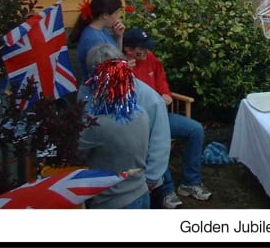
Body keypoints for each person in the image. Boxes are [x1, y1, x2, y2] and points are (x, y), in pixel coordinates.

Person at [123, 29, 212, 208]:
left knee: (195, 129)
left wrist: (165, 93)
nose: (147, 51)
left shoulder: (150, 59)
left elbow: (161, 79)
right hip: (139, 124)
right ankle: (166, 191)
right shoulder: (121, 68)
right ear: (128, 49)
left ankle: (190, 182)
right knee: (158, 140)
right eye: (143, 48)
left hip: (162, 116)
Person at [84, 43, 171, 209]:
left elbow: (160, 143)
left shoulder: (150, 100)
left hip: (141, 188)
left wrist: (150, 180)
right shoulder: (100, 95)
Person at [78, 55, 150, 209]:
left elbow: (72, 148)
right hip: (141, 193)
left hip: (115, 202)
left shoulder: (98, 124)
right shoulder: (142, 113)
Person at [69, 0, 126, 100]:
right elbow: (104, 73)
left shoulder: (102, 30)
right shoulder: (94, 39)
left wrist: (119, 37)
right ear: (105, 15)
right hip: (94, 95)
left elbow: (114, 56)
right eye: (116, 14)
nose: (117, 17)